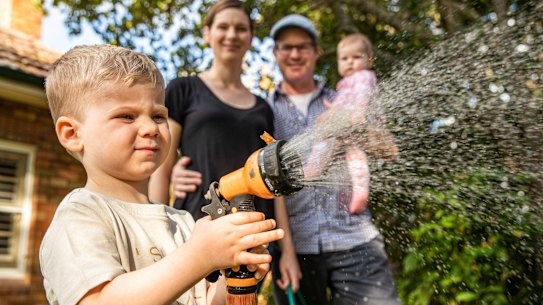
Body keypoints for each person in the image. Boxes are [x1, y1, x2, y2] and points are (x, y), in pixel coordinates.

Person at [39, 44, 283, 305]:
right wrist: (200, 255)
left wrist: (234, 276)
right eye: (126, 116)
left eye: (157, 116)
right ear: (72, 134)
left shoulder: (182, 222)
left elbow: (204, 299)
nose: (150, 128)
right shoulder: (80, 216)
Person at [267, 15, 401, 305]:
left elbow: (390, 149)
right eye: (286, 47)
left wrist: (351, 127)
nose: (294, 54)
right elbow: (269, 184)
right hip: (296, 249)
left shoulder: (349, 98)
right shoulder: (264, 111)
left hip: (355, 240)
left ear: (317, 52)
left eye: (302, 46)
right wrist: (285, 250)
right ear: (276, 54)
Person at [149, 0, 275, 223]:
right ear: (207, 34)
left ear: (250, 38)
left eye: (241, 28)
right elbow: (161, 167)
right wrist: (155, 229)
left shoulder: (263, 108)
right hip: (197, 225)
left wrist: (287, 252)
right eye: (223, 27)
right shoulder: (182, 89)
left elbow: (273, 179)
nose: (232, 34)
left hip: (257, 231)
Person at [305, 33, 385, 214]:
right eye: (344, 58)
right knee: (352, 158)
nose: (350, 62)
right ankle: (356, 192)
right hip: (348, 124)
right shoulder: (346, 84)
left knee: (325, 143)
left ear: (369, 60)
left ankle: (313, 168)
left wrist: (357, 114)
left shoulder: (363, 77)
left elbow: (363, 94)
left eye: (356, 57)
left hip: (357, 122)